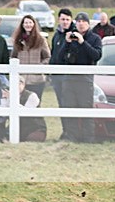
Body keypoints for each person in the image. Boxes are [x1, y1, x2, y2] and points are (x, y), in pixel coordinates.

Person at [53, 11, 102, 142]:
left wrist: (82, 42)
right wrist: (67, 42)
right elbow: (59, 57)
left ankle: (88, 138)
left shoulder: (95, 38)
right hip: (69, 79)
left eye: (83, 22)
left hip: (85, 80)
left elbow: (96, 55)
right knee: (69, 109)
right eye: (78, 22)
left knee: (86, 110)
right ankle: (71, 137)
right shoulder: (70, 37)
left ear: (88, 23)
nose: (81, 24)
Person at [49, 8, 77, 137]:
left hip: (69, 77)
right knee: (61, 104)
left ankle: (71, 131)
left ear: (71, 20)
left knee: (69, 104)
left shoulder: (74, 35)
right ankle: (65, 130)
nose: (65, 22)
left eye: (67, 19)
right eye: (62, 19)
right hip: (57, 76)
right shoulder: (56, 35)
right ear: (58, 20)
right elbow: (54, 55)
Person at [10, 14, 50, 101]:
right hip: (21, 80)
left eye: (30, 22)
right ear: (23, 25)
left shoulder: (41, 40)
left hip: (37, 79)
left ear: (34, 24)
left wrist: (38, 67)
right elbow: (13, 57)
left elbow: (47, 57)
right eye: (26, 23)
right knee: (21, 103)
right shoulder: (18, 40)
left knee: (36, 103)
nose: (28, 25)